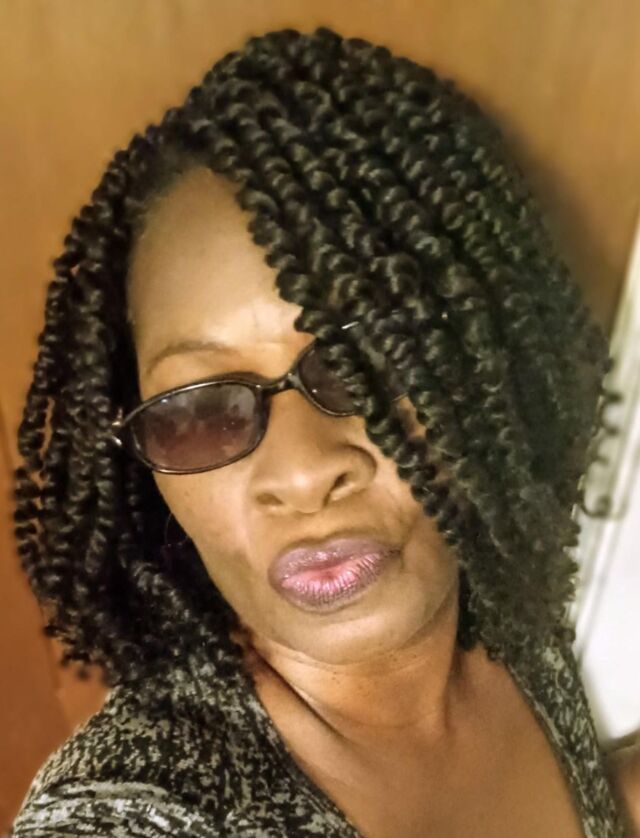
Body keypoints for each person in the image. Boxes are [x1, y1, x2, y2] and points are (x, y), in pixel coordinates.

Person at [8, 24, 636, 837]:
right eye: (200, 411)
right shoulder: (137, 808)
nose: (303, 473)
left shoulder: (508, 603)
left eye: (362, 364)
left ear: (479, 357)